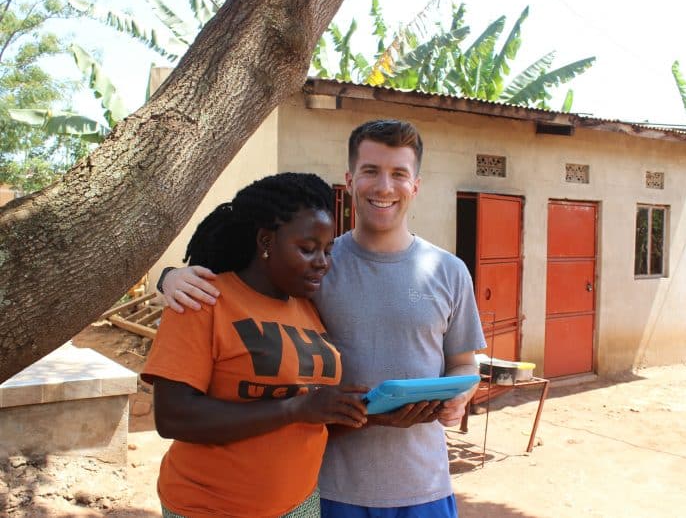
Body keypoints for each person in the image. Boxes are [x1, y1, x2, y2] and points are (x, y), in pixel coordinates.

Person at [161, 120, 486, 517]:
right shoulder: (315, 271)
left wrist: (458, 395)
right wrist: (168, 277)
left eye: (399, 173)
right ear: (350, 181)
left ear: (415, 185)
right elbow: (242, 284)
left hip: (422, 484)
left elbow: (463, 362)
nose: (384, 186)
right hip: (327, 487)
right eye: (371, 171)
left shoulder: (448, 271)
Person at [141, 172, 368, 518]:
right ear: (265, 241)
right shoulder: (204, 299)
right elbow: (173, 417)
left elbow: (308, 413)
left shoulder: (307, 307)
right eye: (307, 249)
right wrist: (297, 409)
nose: (322, 262)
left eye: (327, 249)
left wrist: (373, 413)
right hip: (211, 508)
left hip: (300, 503)